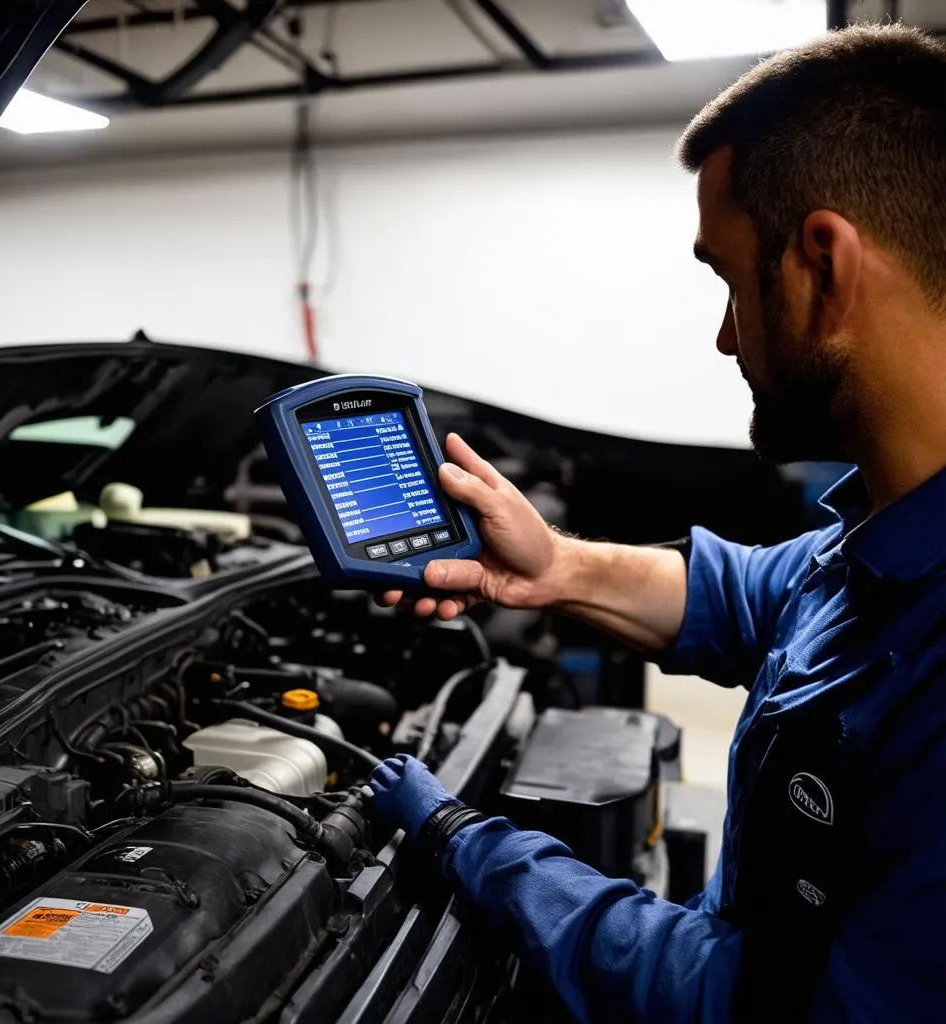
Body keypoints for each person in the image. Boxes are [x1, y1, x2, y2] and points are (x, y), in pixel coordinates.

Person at [368, 23, 946, 1024]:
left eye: (728, 280)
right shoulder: (886, 529)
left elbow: (775, 1007)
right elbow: (752, 595)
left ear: (825, 266)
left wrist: (478, 845)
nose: (724, 335)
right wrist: (550, 566)